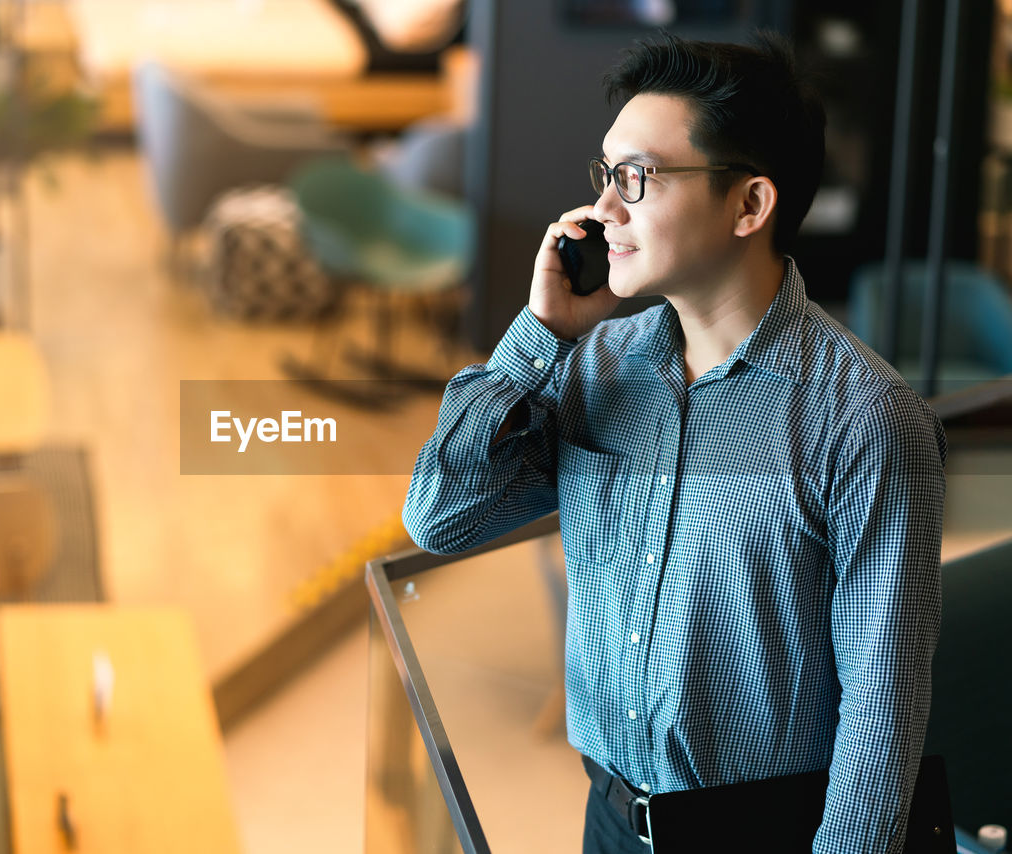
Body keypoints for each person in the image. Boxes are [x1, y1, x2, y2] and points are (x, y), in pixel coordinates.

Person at [401, 31, 947, 854]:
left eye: (638, 179)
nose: (601, 213)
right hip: (611, 819)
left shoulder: (864, 417)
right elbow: (437, 518)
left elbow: (884, 713)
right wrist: (536, 336)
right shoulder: (596, 366)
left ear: (749, 205)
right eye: (606, 174)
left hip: (765, 834)